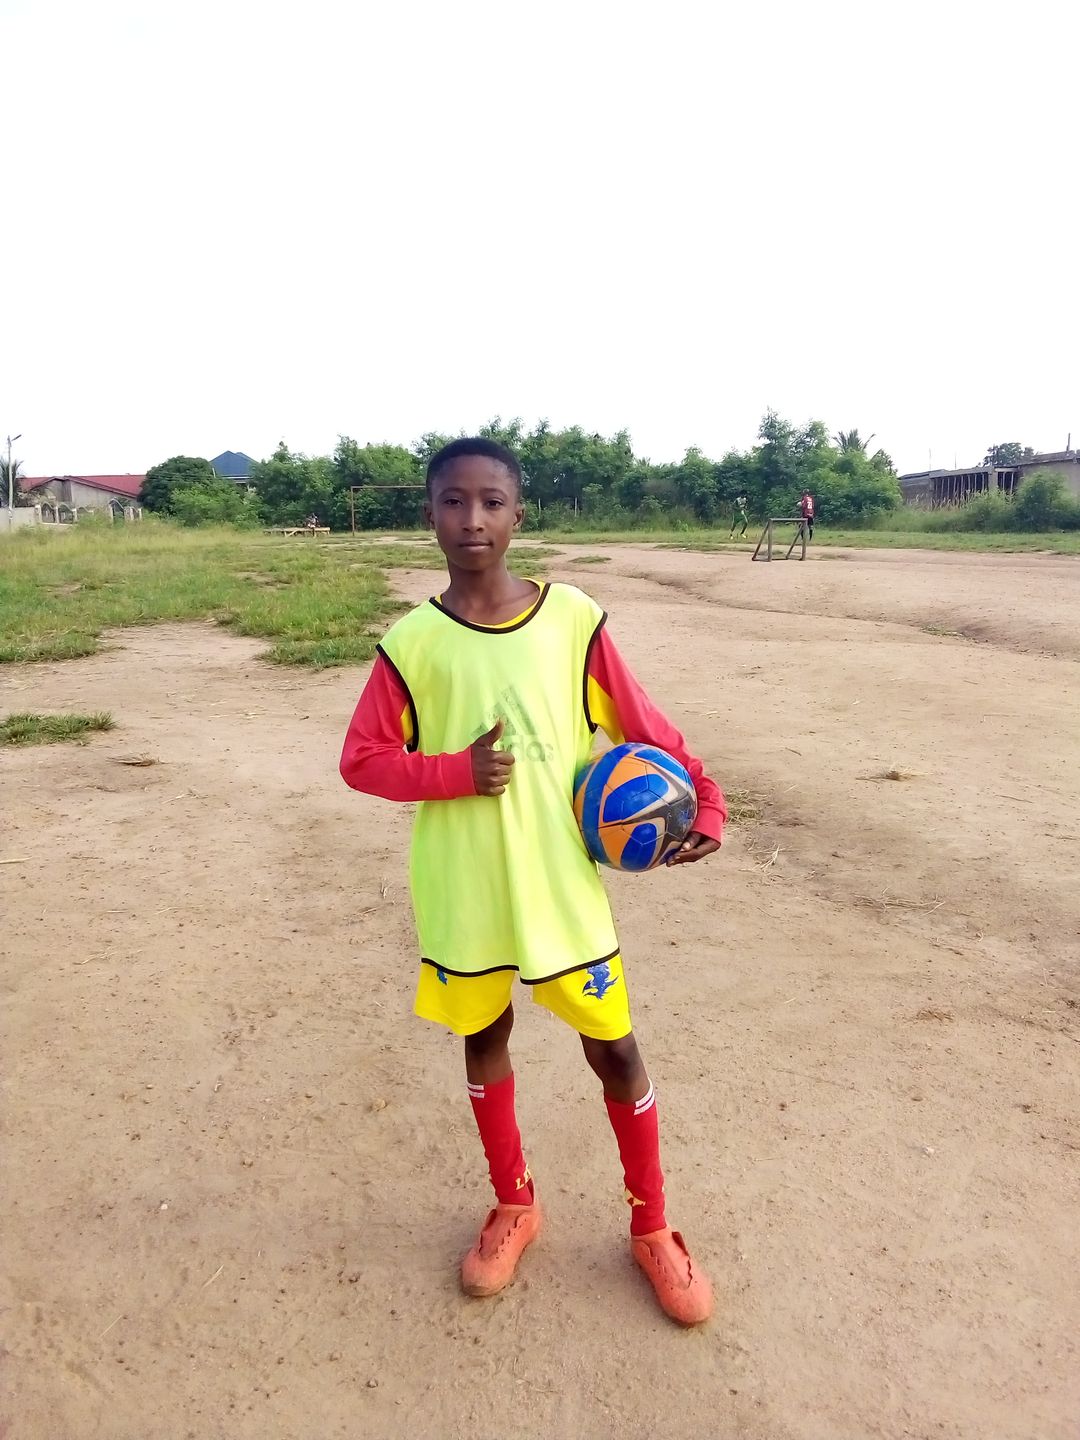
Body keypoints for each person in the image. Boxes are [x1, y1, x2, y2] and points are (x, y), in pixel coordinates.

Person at [339, 437, 726, 1326]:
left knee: (614, 1046)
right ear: (429, 513)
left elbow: (643, 724)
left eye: (491, 502)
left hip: (558, 886)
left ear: (519, 515)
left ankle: (653, 1227)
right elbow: (362, 759)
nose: (471, 520)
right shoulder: (411, 644)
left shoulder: (572, 621)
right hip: (464, 887)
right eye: (452, 501)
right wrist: (452, 772)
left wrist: (703, 797)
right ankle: (514, 1203)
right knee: (484, 1037)